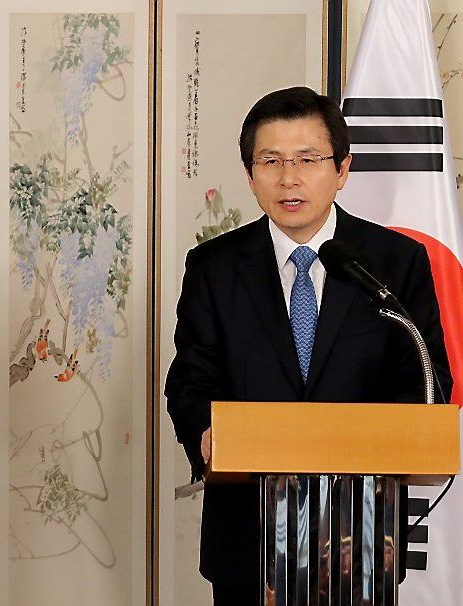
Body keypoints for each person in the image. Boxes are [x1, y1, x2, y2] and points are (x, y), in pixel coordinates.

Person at [164, 86, 453, 605]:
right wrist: (204, 433)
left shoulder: (394, 261)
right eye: (270, 161)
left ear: (343, 168)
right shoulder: (214, 267)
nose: (289, 178)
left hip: (360, 528)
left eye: (307, 159)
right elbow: (190, 379)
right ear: (251, 174)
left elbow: (426, 378)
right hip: (246, 530)